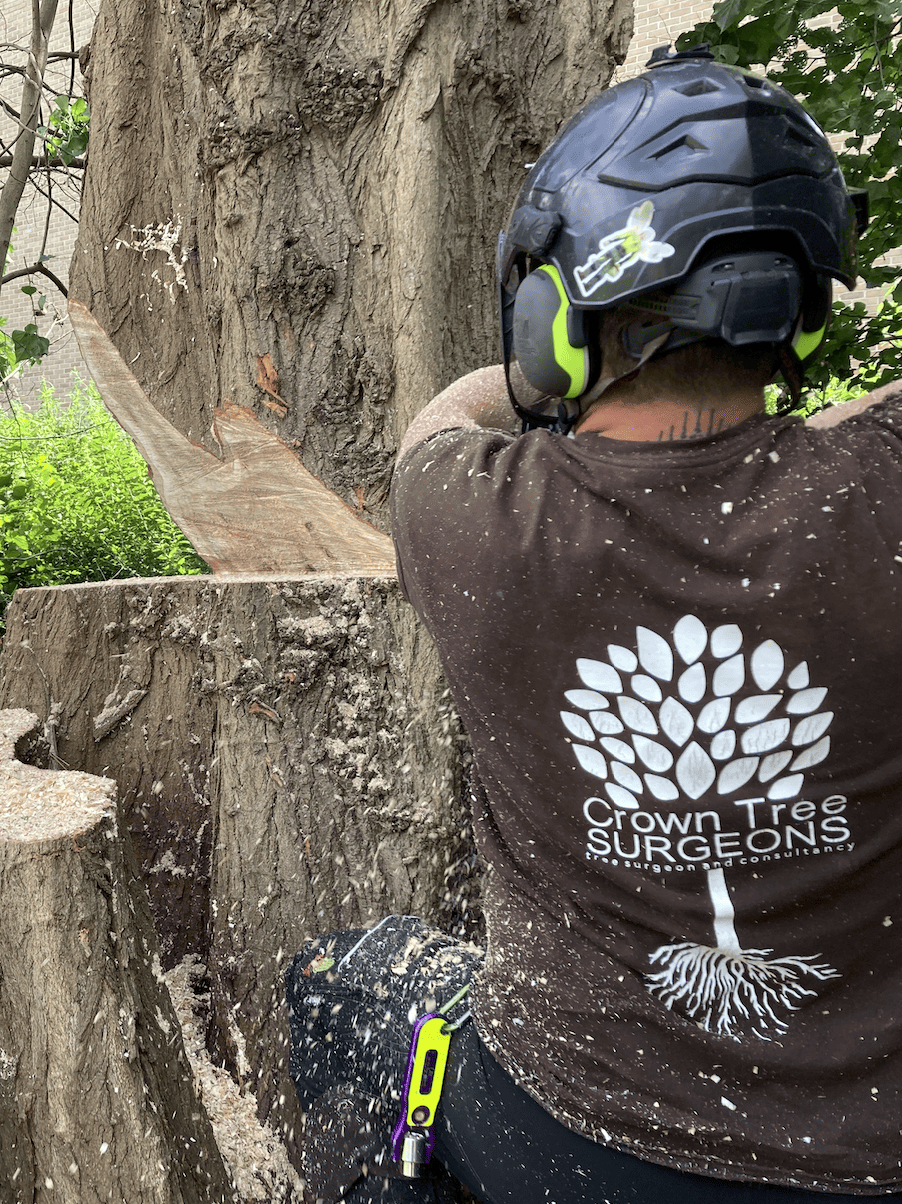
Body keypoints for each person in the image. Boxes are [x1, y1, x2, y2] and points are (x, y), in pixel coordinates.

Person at [287, 45, 901, 1202]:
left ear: (551, 319)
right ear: (802, 314)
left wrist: (530, 378)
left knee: (345, 979)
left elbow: (445, 416)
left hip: (577, 1140)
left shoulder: (473, 516)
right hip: (873, 1157)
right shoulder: (886, 493)